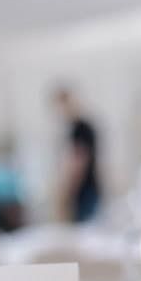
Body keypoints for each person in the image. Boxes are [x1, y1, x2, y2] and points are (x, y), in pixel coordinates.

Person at [52, 87, 102, 223]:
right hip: (85, 189)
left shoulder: (81, 129)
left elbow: (79, 162)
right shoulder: (78, 128)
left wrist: (67, 192)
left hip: (85, 190)